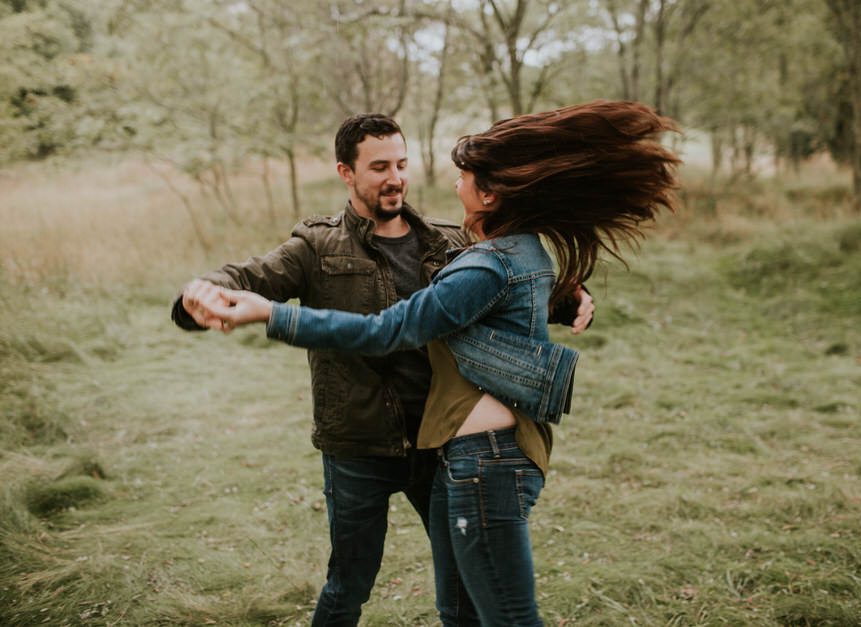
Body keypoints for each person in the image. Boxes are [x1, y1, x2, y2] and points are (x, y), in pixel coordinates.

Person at [198, 100, 680, 625]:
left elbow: (461, 298)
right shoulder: (318, 245)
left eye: (401, 164)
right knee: (368, 587)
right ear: (346, 172)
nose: (396, 178)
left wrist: (566, 298)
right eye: (380, 167)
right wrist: (202, 295)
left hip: (451, 450)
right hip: (363, 444)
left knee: (479, 607)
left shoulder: (451, 244)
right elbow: (249, 275)